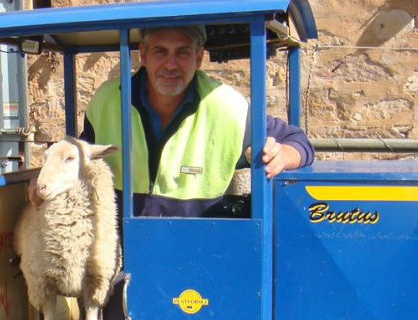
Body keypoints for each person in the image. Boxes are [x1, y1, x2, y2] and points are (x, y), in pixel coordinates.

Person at [78, 25, 315, 218]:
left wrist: (282, 154)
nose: (171, 65)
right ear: (143, 55)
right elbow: (77, 161)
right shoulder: (107, 99)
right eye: (160, 51)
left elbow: (298, 142)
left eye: (182, 52)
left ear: (199, 57)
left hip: (198, 252)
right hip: (122, 252)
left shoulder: (227, 106)